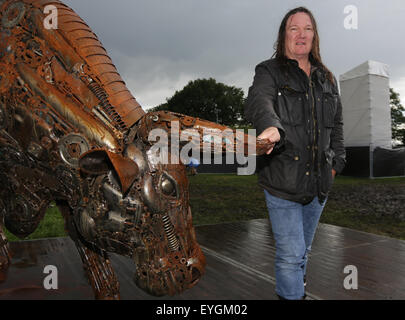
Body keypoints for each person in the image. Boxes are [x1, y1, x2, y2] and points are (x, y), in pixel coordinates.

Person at [244, 7, 346, 300]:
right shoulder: (269, 70)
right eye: (293, 28)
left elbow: (336, 124)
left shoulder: (327, 78)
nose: (301, 34)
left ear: (315, 36)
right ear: (284, 36)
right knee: (291, 255)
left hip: (319, 183)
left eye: (308, 29)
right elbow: (258, 101)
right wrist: (270, 126)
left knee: (304, 251)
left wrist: (336, 163)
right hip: (282, 181)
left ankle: (295, 291)